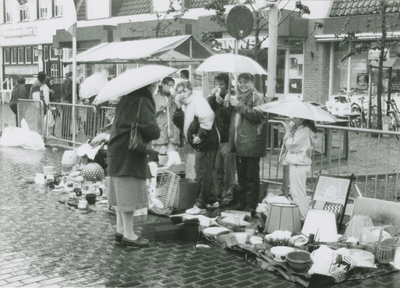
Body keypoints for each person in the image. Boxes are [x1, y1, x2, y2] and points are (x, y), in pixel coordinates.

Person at [107, 82, 160, 247]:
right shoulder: (143, 101)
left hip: (116, 149)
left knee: (120, 193)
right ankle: (129, 235)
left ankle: (121, 230)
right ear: (148, 86)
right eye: (155, 85)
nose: (156, 88)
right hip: (129, 152)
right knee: (128, 192)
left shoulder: (125, 99)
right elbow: (152, 130)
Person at [173, 81, 219, 215]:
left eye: (184, 91)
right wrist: (177, 108)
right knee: (203, 170)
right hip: (200, 143)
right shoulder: (185, 104)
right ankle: (211, 199)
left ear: (190, 90)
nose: (181, 94)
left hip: (206, 142)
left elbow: (207, 118)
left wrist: (201, 134)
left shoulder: (198, 101)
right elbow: (180, 123)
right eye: (179, 92)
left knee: (202, 172)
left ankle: (201, 204)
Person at [229, 73, 268, 216]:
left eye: (245, 82)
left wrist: (239, 106)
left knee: (251, 176)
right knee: (242, 176)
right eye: (240, 82)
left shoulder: (256, 97)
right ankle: (242, 201)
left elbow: (257, 116)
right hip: (240, 142)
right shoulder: (239, 97)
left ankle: (251, 204)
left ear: (252, 83)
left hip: (251, 142)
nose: (242, 84)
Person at [207, 73, 236, 206]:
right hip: (216, 138)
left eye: (222, 84)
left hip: (227, 138)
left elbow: (230, 118)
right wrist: (213, 99)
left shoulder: (231, 97)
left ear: (227, 85)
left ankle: (228, 196)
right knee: (216, 168)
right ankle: (217, 195)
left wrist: (224, 105)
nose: (219, 87)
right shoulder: (214, 98)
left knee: (228, 169)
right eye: (216, 84)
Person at [281, 117, 317, 221]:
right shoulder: (305, 130)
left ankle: (302, 217)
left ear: (302, 119)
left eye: (295, 118)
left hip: (299, 164)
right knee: (297, 192)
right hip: (300, 164)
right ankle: (302, 216)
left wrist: (288, 131)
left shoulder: (303, 132)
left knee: (297, 193)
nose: (293, 120)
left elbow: (291, 145)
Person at [153, 77, 180, 152]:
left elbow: (178, 112)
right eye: (169, 85)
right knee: (159, 155)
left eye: (172, 86)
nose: (171, 87)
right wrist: (161, 108)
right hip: (160, 131)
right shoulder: (155, 97)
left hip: (172, 131)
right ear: (163, 84)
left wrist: (176, 99)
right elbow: (152, 114)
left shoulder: (172, 97)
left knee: (171, 156)